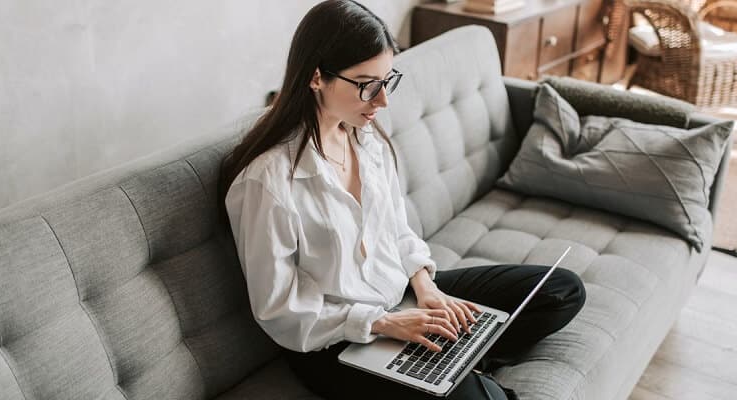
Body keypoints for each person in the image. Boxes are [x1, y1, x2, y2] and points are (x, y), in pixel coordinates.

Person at [218, 1, 586, 399]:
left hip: (402, 298)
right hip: (336, 342)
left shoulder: (365, 138)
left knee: (561, 290)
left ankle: (461, 358)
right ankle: (460, 371)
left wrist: (426, 286)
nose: (382, 102)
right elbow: (280, 310)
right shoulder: (267, 181)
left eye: (386, 80)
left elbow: (397, 230)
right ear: (316, 78)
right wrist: (383, 324)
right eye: (366, 85)